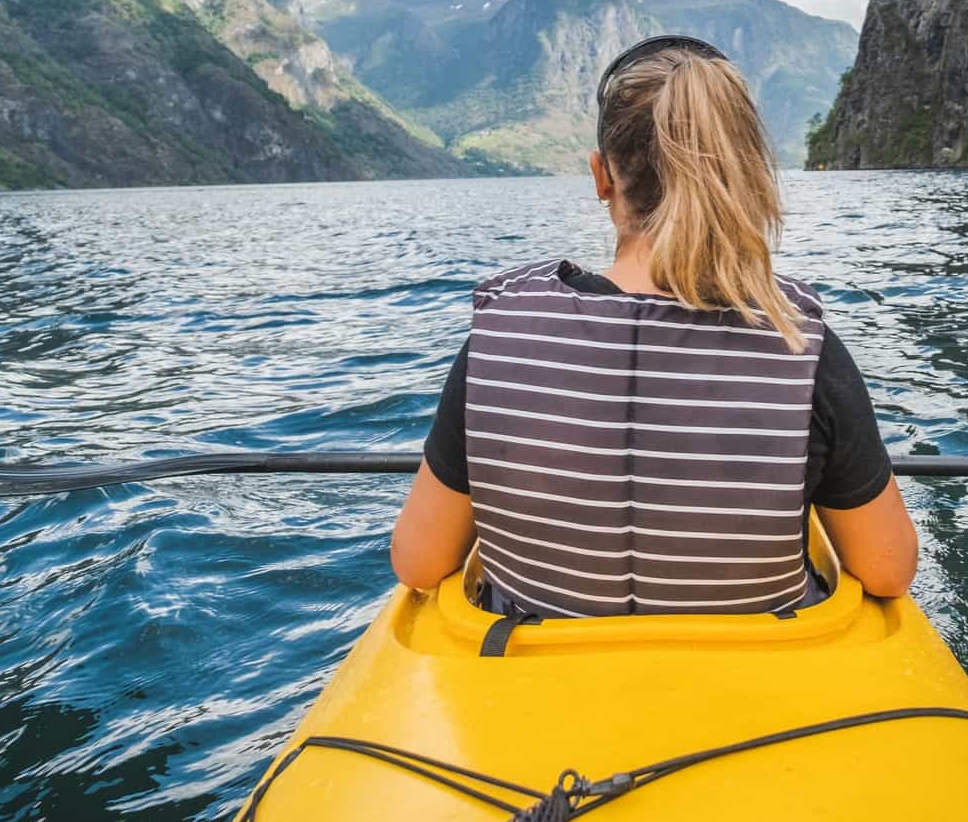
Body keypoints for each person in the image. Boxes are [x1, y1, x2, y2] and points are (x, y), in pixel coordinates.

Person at [389, 34, 917, 615]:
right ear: (744, 173)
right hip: (760, 668)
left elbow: (419, 563)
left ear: (601, 176)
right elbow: (888, 570)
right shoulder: (802, 344)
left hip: (535, 666)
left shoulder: (502, 335)